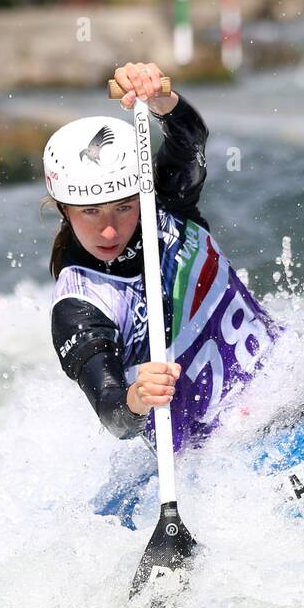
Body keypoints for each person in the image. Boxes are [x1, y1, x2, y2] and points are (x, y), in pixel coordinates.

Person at [46, 62, 281, 456]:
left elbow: (190, 141)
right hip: (215, 455)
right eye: (90, 212)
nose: (109, 230)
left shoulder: (168, 205)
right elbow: (113, 415)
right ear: (63, 208)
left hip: (284, 381)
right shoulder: (80, 305)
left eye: (123, 207)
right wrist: (137, 397)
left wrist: (161, 101)